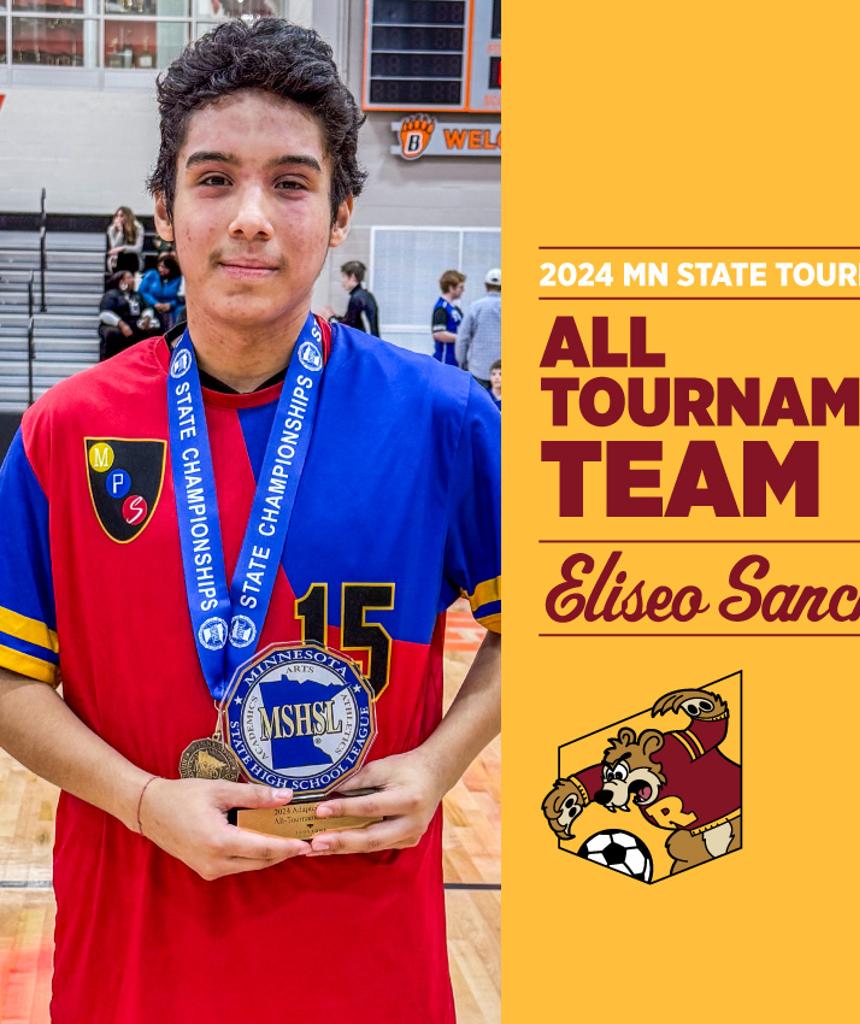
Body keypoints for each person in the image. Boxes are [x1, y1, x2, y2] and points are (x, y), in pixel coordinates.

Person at [0, 18, 499, 1024]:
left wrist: (439, 762)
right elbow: (12, 683)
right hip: (134, 955)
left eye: (292, 181)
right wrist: (143, 800)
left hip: (363, 952)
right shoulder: (67, 431)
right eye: (216, 177)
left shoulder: (445, 419)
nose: (252, 217)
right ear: (164, 206)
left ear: (341, 210)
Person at [97, 270, 162, 360]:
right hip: (117, 325)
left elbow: (147, 308)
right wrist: (122, 325)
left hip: (135, 323)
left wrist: (146, 318)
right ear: (121, 281)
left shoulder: (137, 295)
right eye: (129, 278)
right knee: (112, 333)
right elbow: (105, 314)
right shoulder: (111, 295)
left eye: (132, 277)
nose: (132, 280)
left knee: (154, 329)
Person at [456, 267, 501, 389]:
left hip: (478, 369)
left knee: (479, 406)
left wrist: (462, 362)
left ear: (486, 286)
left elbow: (463, 338)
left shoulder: (475, 307)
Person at [331, 259, 380, 336]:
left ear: (353, 277)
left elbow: (349, 326)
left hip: (365, 343)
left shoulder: (357, 298)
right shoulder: (366, 295)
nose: (342, 281)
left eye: (344, 276)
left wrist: (331, 318)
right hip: (373, 343)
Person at [138, 252, 185, 331]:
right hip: (151, 304)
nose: (160, 269)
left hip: (170, 307)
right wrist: (155, 303)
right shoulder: (151, 274)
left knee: (180, 310)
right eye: (159, 266)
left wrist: (170, 305)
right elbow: (142, 291)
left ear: (171, 268)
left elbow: (179, 297)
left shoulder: (177, 279)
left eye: (164, 267)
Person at [431, 268, 465, 365]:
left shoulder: (454, 308)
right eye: (461, 287)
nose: (463, 290)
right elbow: (438, 334)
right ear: (451, 288)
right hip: (445, 360)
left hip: (455, 360)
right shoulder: (441, 308)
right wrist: (461, 338)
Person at [105, 205, 145, 274]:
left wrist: (123, 248)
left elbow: (138, 249)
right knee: (121, 256)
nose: (119, 218)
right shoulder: (112, 229)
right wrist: (120, 232)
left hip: (134, 259)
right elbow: (114, 248)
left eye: (121, 216)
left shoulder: (138, 228)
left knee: (128, 256)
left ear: (128, 217)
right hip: (117, 259)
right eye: (117, 216)